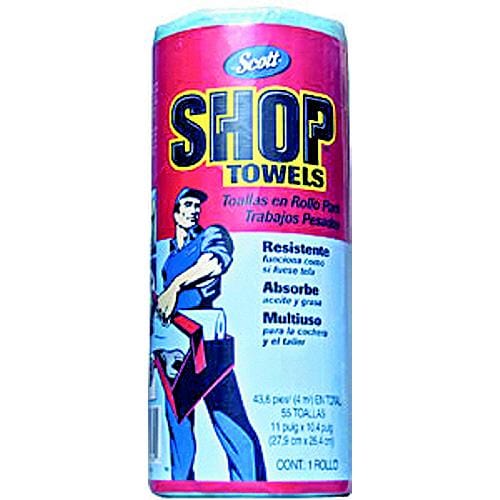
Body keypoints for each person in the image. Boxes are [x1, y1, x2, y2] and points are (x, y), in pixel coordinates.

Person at [155, 187, 266, 481]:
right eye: (187, 205)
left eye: (197, 205)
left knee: (230, 421)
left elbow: (214, 263)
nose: (194, 210)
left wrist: (176, 285)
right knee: (177, 426)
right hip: (173, 343)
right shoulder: (168, 255)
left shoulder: (211, 236)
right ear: (175, 212)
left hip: (207, 341)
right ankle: (181, 483)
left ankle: (250, 484)